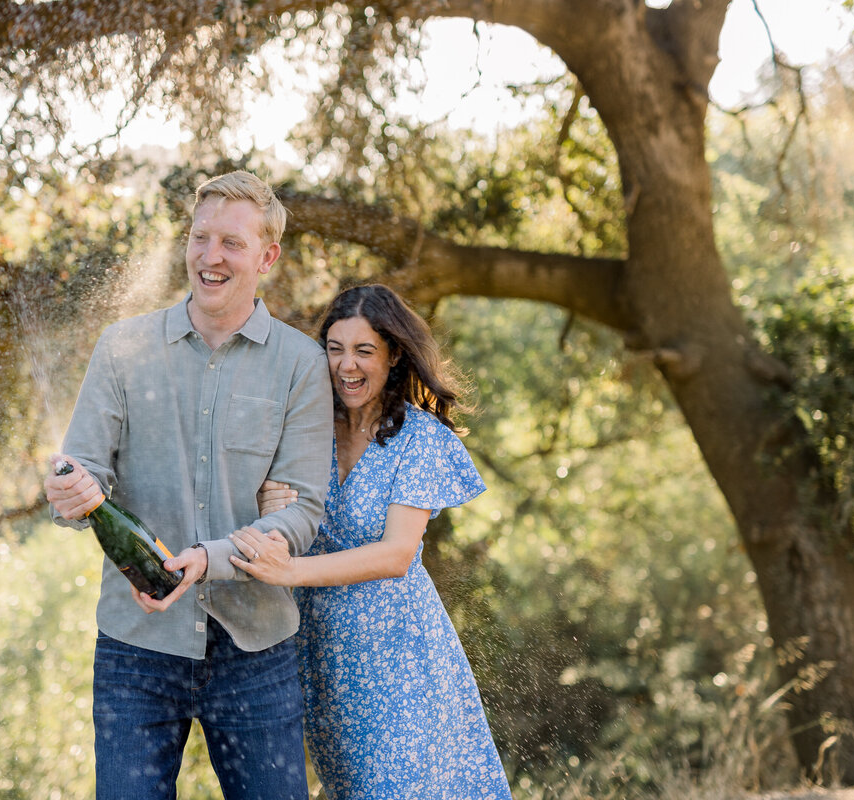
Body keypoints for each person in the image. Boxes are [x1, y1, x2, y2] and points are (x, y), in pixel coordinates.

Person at [44, 170, 333, 800]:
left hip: (255, 650)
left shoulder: (301, 365)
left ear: (267, 256)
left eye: (231, 242)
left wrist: (211, 562)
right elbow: (85, 473)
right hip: (136, 650)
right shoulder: (122, 348)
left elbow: (302, 513)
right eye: (200, 238)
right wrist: (70, 493)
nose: (210, 256)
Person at [229, 284, 513, 800]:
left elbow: (397, 554)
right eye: (335, 349)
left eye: (364, 351)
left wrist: (290, 572)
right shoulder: (304, 431)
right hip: (320, 653)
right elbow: (270, 508)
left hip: (400, 656)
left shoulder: (420, 440)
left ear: (394, 354)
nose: (346, 366)